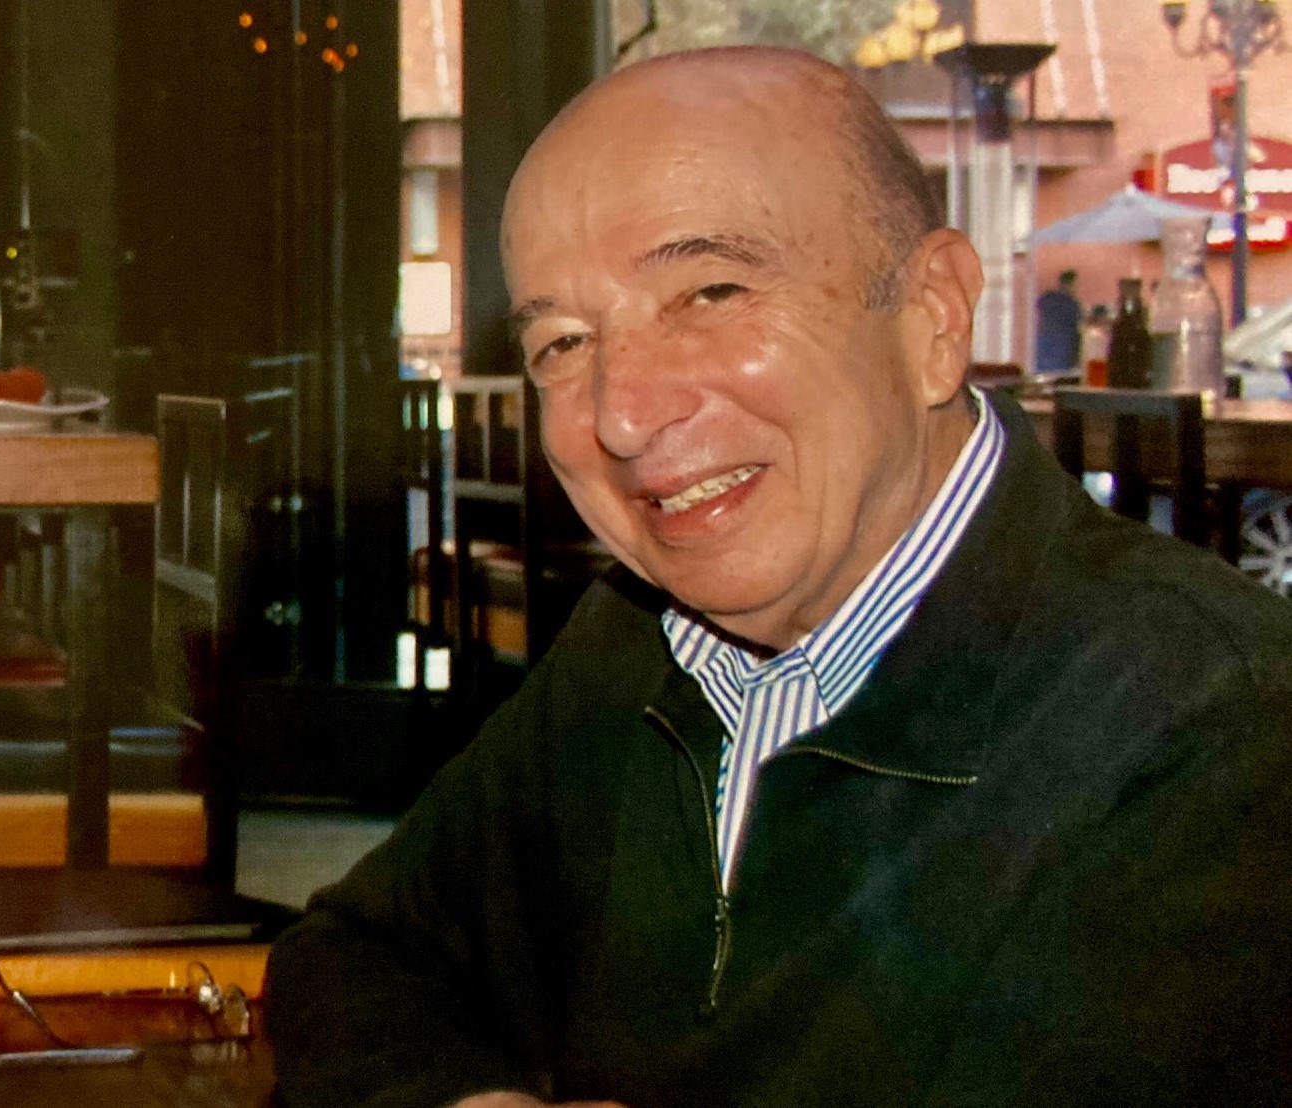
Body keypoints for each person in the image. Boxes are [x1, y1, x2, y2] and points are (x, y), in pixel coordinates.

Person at [266, 46, 1292, 1107]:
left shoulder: (1217, 735)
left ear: (935, 317)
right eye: (563, 344)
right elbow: (352, 959)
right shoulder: (638, 637)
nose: (621, 414)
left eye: (709, 291)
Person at [1034, 268, 1082, 372]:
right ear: (1070, 284)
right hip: (1062, 349)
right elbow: (1078, 326)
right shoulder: (1071, 304)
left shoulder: (1047, 298)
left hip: (1044, 346)